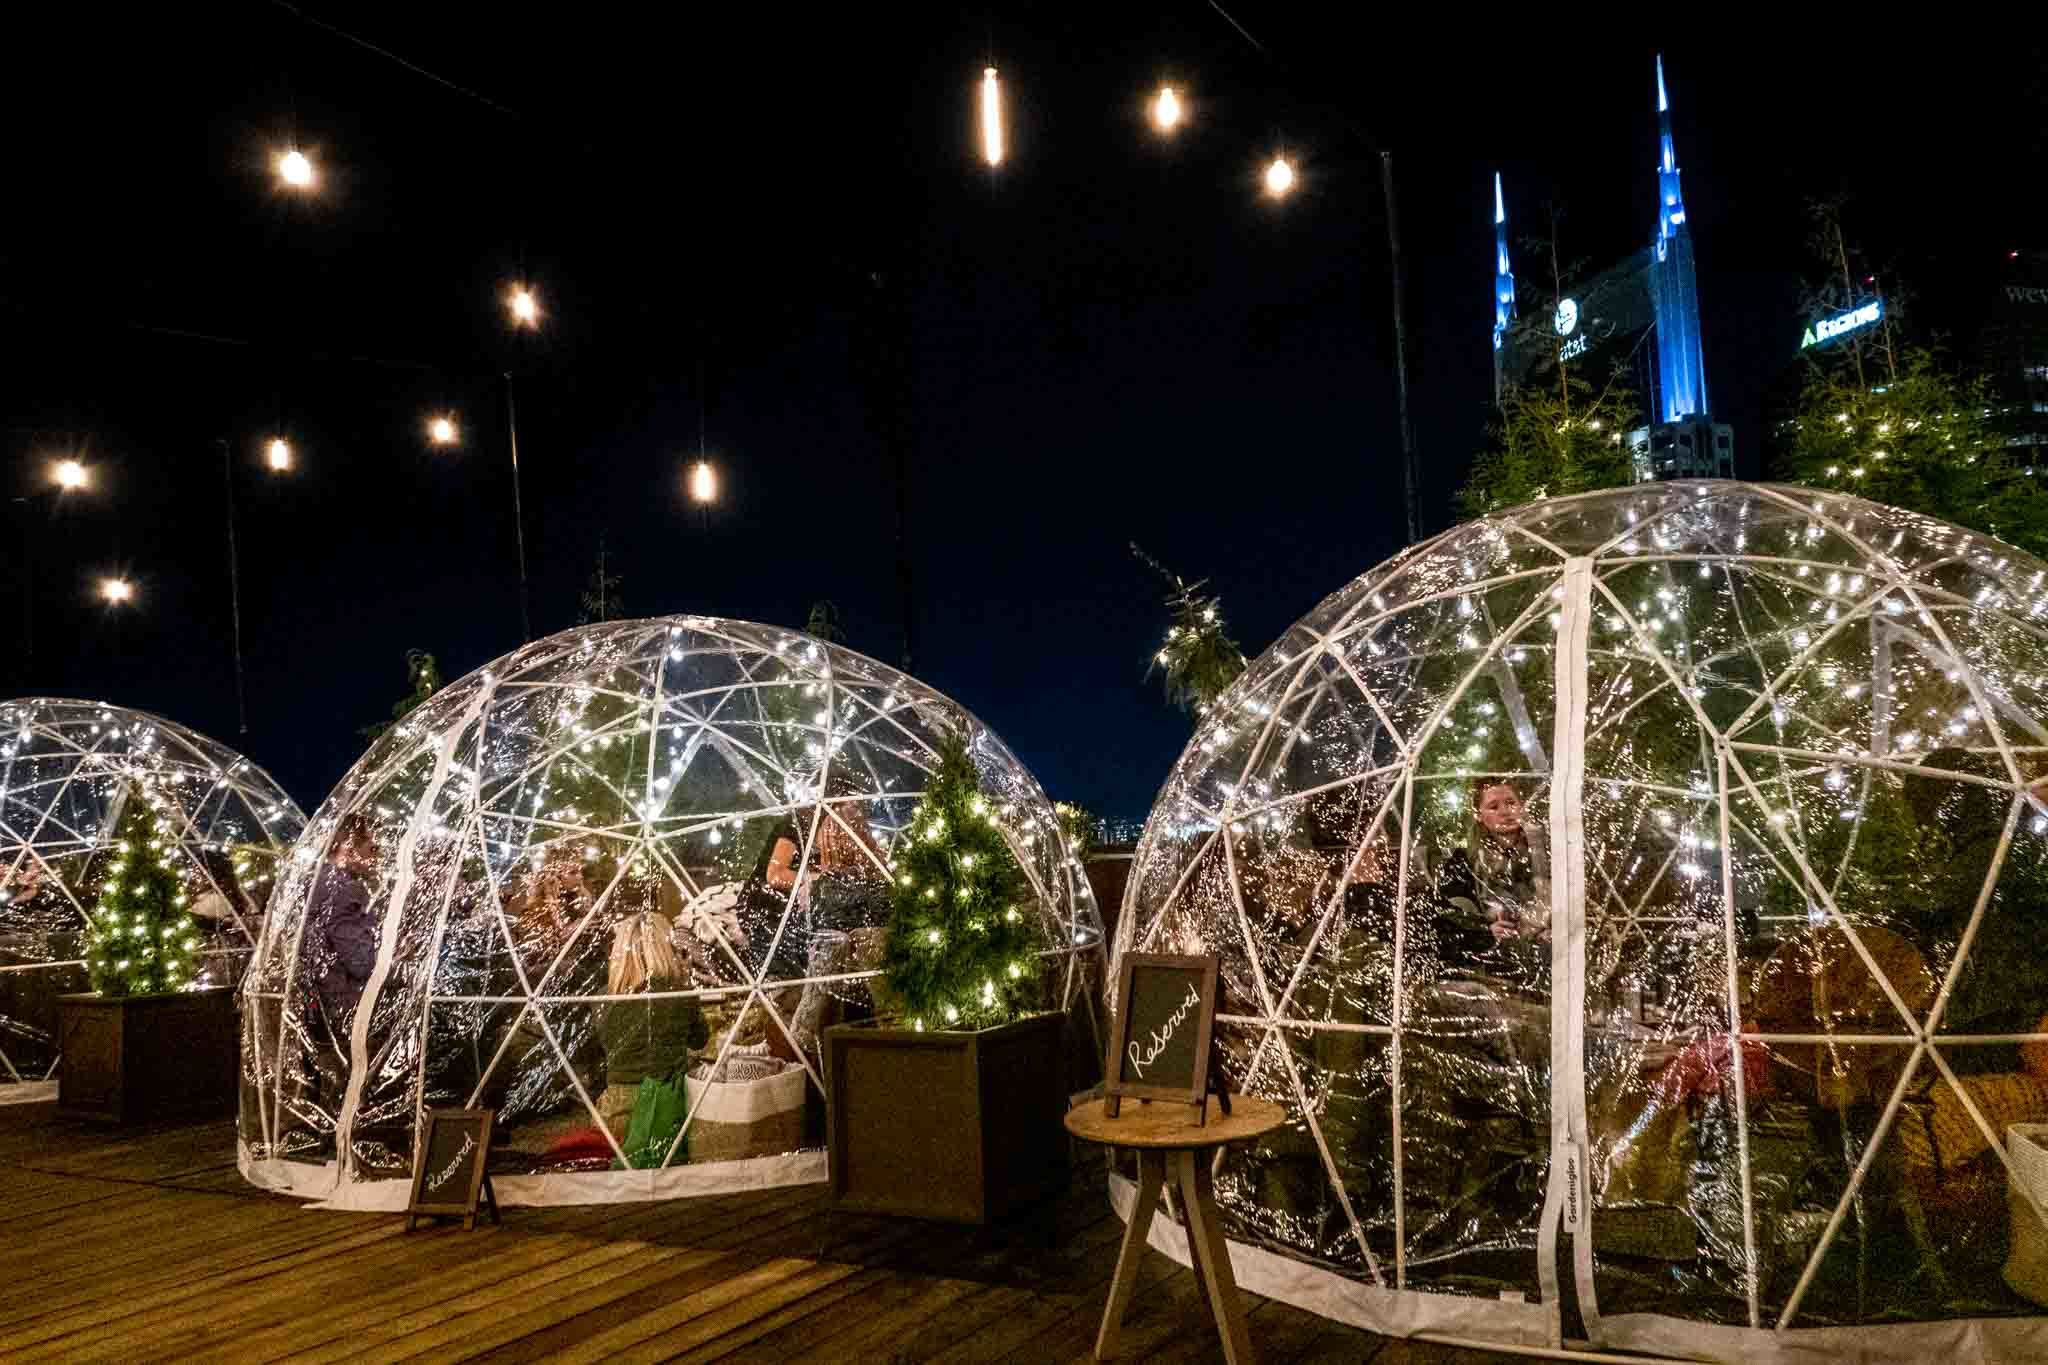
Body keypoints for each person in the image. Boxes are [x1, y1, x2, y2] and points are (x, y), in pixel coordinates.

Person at [597, 912, 708, 1143]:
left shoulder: (601, 999)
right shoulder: (679, 992)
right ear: (667, 946)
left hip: (616, 1114)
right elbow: (700, 1040)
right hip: (666, 1108)